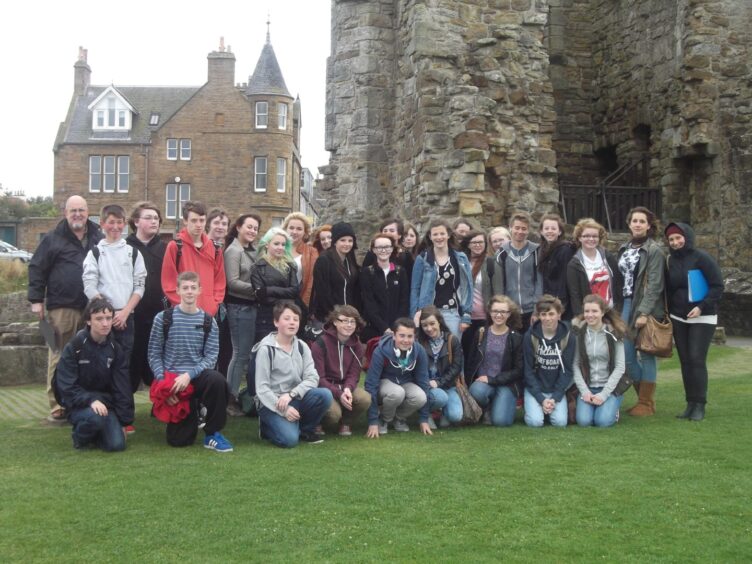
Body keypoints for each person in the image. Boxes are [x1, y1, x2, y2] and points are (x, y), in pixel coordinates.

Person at [28, 195, 102, 424]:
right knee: (57, 354)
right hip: (61, 307)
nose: (77, 214)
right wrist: (36, 300)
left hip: (91, 306)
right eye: (73, 211)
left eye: (81, 210)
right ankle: (57, 404)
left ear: (88, 211)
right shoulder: (53, 238)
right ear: (65, 213)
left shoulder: (98, 236)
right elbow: (36, 268)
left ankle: (82, 401)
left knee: (89, 356)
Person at [148, 271, 233, 452]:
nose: (189, 291)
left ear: (199, 290)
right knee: (179, 441)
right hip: (173, 381)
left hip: (196, 376)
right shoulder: (163, 319)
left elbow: (211, 357)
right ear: (177, 290)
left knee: (218, 381)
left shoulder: (209, 321)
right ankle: (193, 410)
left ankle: (212, 433)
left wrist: (189, 375)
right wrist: (164, 386)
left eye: (193, 288)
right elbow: (154, 354)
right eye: (185, 288)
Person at [82, 204, 147, 398]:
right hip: (102, 319)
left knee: (123, 366)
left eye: (120, 222)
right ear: (102, 224)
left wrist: (125, 312)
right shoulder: (94, 253)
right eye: (111, 222)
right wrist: (107, 315)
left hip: (126, 318)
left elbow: (139, 286)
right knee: (100, 365)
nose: (116, 227)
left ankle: (123, 415)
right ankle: (100, 407)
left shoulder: (133, 253)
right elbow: (89, 285)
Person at [55, 297, 133, 451]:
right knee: (95, 418)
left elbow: (122, 387)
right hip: (79, 405)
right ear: (88, 321)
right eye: (99, 319)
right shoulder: (74, 347)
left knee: (116, 445)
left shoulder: (115, 349)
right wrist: (90, 401)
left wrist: (124, 422)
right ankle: (79, 438)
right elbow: (66, 386)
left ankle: (98, 435)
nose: (105, 323)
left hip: (106, 405)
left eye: (108, 318)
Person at [664, 222, 724, 421]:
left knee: (697, 359)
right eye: (671, 239)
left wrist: (701, 306)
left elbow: (717, 286)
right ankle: (690, 403)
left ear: (687, 237)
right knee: (686, 361)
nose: (675, 242)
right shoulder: (670, 261)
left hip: (702, 315)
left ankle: (700, 404)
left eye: (678, 237)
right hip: (679, 317)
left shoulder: (702, 258)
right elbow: (671, 289)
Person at [254, 301, 333, 447]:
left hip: (294, 397)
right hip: (272, 402)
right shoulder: (266, 349)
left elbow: (312, 377)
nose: (292, 323)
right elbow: (262, 389)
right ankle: (266, 427)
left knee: (325, 395)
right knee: (289, 440)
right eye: (287, 319)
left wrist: (292, 394)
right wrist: (284, 411)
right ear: (276, 322)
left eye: (295, 319)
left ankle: (305, 429)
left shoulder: (302, 346)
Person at [617, 206, 665, 417]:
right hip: (625, 304)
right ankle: (644, 400)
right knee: (626, 355)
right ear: (629, 224)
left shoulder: (653, 250)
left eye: (642, 221)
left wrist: (644, 312)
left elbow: (655, 284)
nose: (637, 224)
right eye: (634, 220)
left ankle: (646, 403)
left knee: (646, 353)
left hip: (644, 305)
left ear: (649, 226)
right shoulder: (624, 248)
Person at [364, 318, 432, 437]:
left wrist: (424, 419)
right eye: (402, 336)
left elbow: (423, 382)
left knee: (421, 397)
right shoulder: (380, 351)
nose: (406, 340)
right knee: (397, 392)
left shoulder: (419, 351)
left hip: (405, 382)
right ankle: (384, 420)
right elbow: (371, 384)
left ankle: (399, 418)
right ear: (394, 336)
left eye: (410, 336)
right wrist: (372, 421)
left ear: (414, 337)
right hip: (385, 384)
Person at [310, 305, 371, 436]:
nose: (349, 325)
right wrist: (338, 393)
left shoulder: (358, 346)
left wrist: (348, 388)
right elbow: (318, 379)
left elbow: (354, 374)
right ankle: (317, 422)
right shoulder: (320, 344)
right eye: (344, 320)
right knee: (333, 414)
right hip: (324, 389)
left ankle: (346, 422)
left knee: (365, 398)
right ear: (335, 322)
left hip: (344, 387)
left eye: (352, 321)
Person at [126, 202, 167, 393]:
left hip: (159, 315)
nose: (154, 221)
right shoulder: (125, 247)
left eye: (156, 218)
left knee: (159, 363)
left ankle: (161, 405)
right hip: (132, 315)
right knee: (130, 363)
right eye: (148, 217)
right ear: (136, 221)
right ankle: (125, 410)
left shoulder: (167, 249)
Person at [223, 213, 262, 415]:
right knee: (240, 354)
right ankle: (230, 399)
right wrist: (258, 289)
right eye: (249, 226)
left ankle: (242, 395)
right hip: (239, 308)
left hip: (252, 307)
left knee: (247, 355)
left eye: (255, 228)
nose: (252, 231)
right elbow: (232, 282)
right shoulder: (233, 251)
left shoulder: (253, 251)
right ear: (238, 227)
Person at [466, 295, 525, 427]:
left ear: (509, 314)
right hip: (483, 384)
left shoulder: (515, 338)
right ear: (490, 312)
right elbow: (471, 362)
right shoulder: (481, 333)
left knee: (501, 422)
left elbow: (519, 370)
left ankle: (499, 405)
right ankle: (486, 408)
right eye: (495, 311)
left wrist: (493, 380)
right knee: (476, 391)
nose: (499, 315)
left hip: (506, 384)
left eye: (503, 312)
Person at [161, 201, 226, 317]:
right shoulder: (175, 246)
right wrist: (183, 306)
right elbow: (169, 282)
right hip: (182, 313)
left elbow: (219, 282)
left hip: (208, 314)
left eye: (202, 220)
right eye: (194, 220)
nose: (199, 225)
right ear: (185, 221)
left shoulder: (216, 249)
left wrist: (213, 304)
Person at [572, 295, 628, 427]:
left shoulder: (614, 333)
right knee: (584, 421)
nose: (590, 315)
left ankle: (613, 409)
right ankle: (596, 407)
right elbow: (575, 365)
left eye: (594, 311)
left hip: (609, 388)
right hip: (588, 387)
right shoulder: (579, 333)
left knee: (602, 422)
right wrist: (584, 391)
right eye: (587, 311)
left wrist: (604, 394)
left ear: (602, 312)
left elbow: (620, 367)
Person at [410, 219, 473, 338]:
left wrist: (466, 315)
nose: (439, 237)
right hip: (428, 314)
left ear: (448, 235)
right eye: (435, 234)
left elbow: (468, 287)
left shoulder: (461, 258)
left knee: (451, 351)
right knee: (429, 352)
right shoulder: (422, 259)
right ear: (430, 236)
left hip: (452, 313)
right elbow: (415, 289)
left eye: (442, 234)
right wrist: (414, 315)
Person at [523, 295, 575, 427]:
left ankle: (546, 409)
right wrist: (540, 398)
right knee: (535, 422)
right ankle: (535, 408)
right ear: (539, 316)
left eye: (551, 314)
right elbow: (528, 370)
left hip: (556, 389)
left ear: (559, 315)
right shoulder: (530, 336)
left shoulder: (568, 336)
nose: (547, 318)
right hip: (535, 389)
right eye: (543, 314)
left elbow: (567, 371)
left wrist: (555, 397)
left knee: (560, 422)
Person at [460, 229, 504, 365]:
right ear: (468, 244)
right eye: (474, 242)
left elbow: (498, 292)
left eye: (481, 242)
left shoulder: (491, 263)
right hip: (464, 317)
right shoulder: (461, 262)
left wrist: (496, 315)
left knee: (481, 353)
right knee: (465, 351)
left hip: (484, 317)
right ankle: (465, 383)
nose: (478, 245)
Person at [416, 306, 463, 429]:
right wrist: (427, 383)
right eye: (424, 325)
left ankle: (444, 412)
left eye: (432, 323)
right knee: (440, 398)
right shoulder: (418, 342)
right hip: (427, 386)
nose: (429, 328)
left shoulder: (452, 340)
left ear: (439, 322)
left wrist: (439, 382)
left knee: (456, 416)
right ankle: (427, 414)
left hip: (447, 385)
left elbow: (456, 368)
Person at [250, 227, 300, 345]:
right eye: (276, 244)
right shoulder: (257, 267)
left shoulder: (290, 266)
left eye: (283, 244)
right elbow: (262, 296)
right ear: (267, 245)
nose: (280, 247)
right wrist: (284, 294)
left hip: (287, 316)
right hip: (266, 317)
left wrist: (269, 289)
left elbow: (294, 291)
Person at [359, 233, 410, 342]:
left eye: (387, 247)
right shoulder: (367, 272)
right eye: (379, 247)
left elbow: (404, 301)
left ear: (392, 249)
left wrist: (396, 326)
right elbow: (369, 303)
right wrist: (384, 328)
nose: (383, 250)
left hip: (397, 329)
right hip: (374, 329)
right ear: (373, 250)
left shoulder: (400, 271)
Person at [495, 211, 542, 329]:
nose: (520, 231)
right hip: (510, 311)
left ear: (528, 230)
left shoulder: (536, 252)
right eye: (517, 228)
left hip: (531, 310)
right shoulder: (501, 253)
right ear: (510, 228)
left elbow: (539, 282)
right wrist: (502, 309)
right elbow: (499, 285)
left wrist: (537, 310)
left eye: (524, 228)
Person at [567, 218, 621, 318]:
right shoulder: (574, 264)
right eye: (586, 236)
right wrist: (581, 317)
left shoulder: (608, 257)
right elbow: (575, 295)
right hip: (590, 315)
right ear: (579, 238)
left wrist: (618, 310)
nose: (591, 239)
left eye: (594, 236)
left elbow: (618, 283)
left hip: (611, 312)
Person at [310, 222, 361, 323]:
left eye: (350, 241)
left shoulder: (350, 260)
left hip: (348, 317)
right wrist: (335, 315)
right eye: (342, 240)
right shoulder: (324, 260)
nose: (347, 244)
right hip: (329, 317)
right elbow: (322, 293)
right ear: (335, 241)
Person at [206, 207, 232, 378]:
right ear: (208, 224)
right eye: (216, 222)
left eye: (224, 224)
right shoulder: (203, 247)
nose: (220, 227)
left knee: (223, 350)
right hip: (206, 304)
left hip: (222, 306)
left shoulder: (224, 248)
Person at [538, 213, 575, 320]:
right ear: (541, 231)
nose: (550, 231)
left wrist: (560, 306)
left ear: (559, 232)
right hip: (547, 302)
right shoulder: (542, 250)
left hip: (560, 304)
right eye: (547, 228)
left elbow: (565, 280)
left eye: (553, 228)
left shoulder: (565, 250)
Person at [283, 212, 318, 313]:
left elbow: (313, 281)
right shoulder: (277, 248)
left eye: (299, 229)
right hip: (276, 302)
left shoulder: (312, 252)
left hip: (300, 302)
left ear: (305, 232)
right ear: (285, 229)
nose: (294, 231)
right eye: (291, 228)